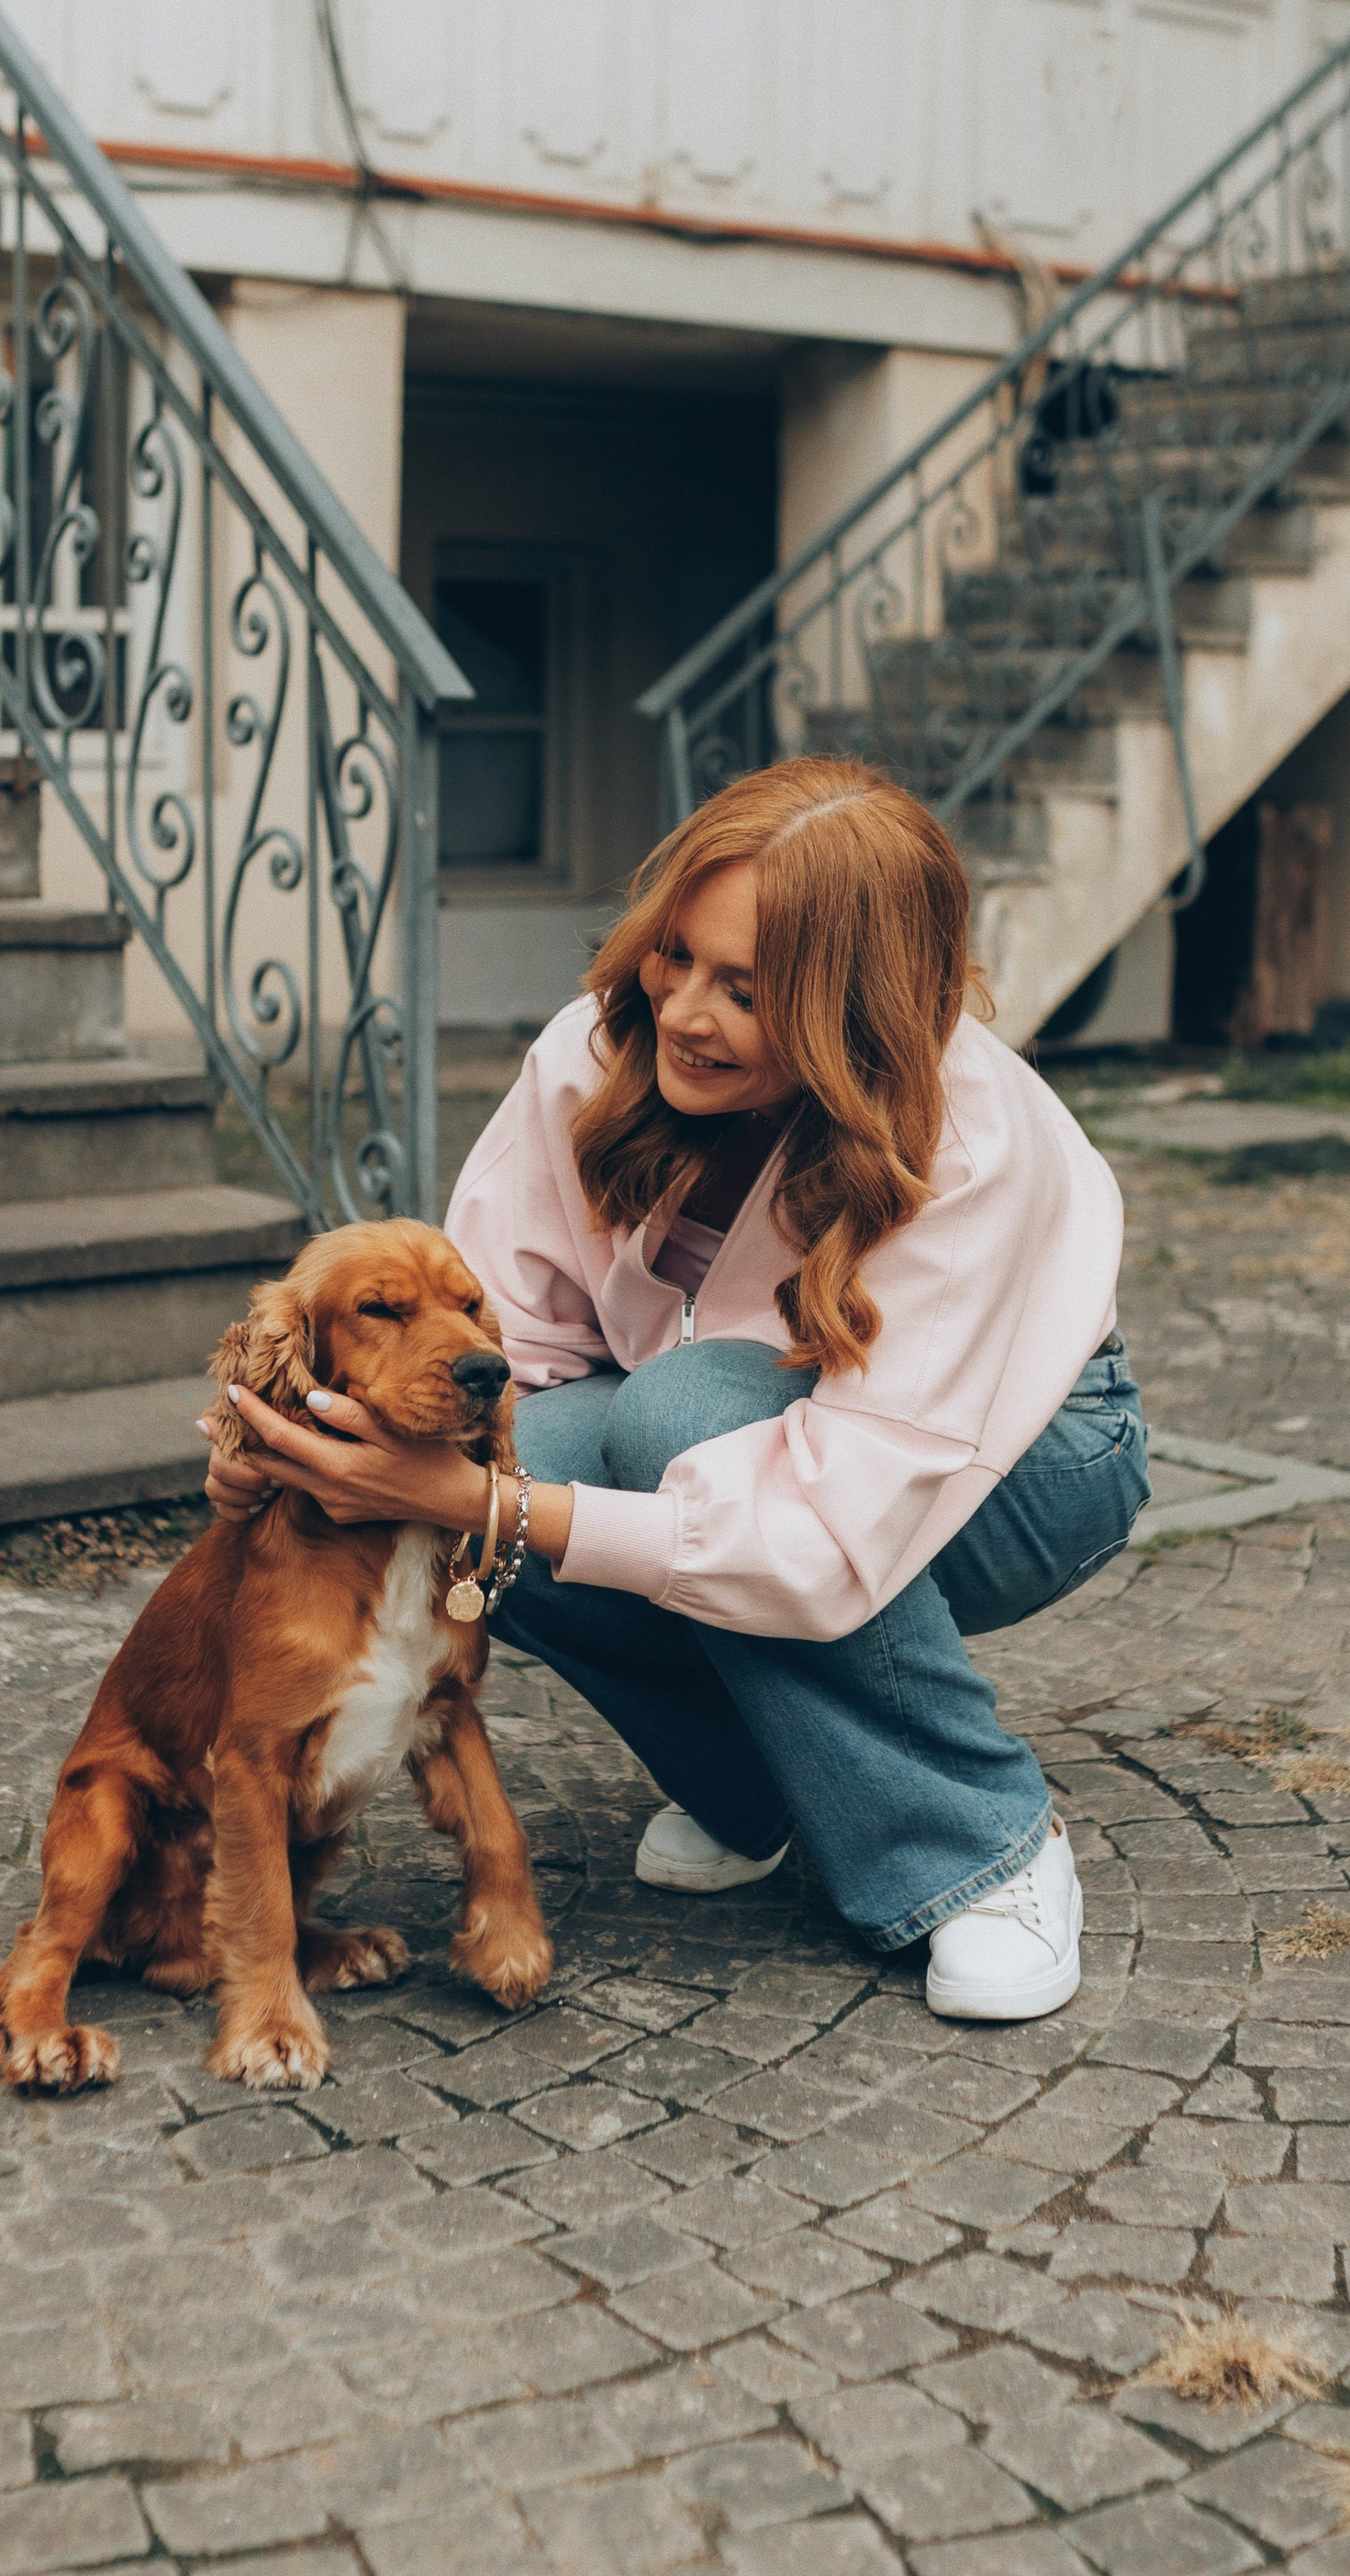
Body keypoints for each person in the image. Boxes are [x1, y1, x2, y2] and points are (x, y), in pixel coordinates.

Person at [206, 758, 1145, 2022]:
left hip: (1033, 1459)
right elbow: (503, 1350)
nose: (686, 1012)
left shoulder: (964, 1139)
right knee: (504, 1460)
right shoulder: (600, 1053)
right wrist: (307, 1446)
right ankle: (760, 1778)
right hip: (738, 1446)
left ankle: (980, 1843)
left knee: (668, 1423)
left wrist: (496, 1505)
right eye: (679, 957)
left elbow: (824, 1528)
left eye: (746, 991)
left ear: (848, 1012)